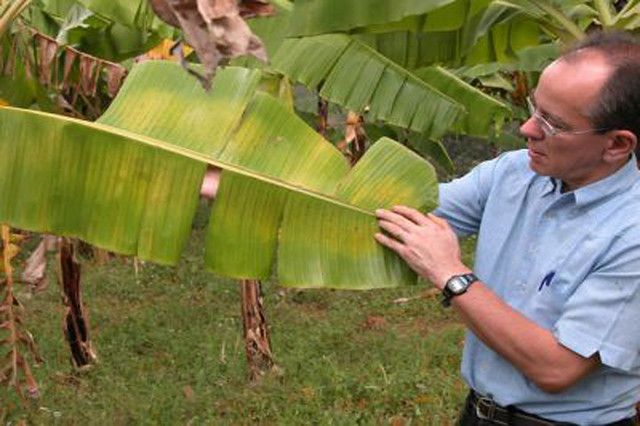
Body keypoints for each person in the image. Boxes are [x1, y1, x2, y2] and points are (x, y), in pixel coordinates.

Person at [375, 31, 640, 426]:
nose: (528, 129)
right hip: (478, 414)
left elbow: (557, 368)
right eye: (536, 108)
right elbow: (401, 212)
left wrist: (452, 275)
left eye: (553, 124)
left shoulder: (631, 235)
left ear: (617, 144)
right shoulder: (515, 172)